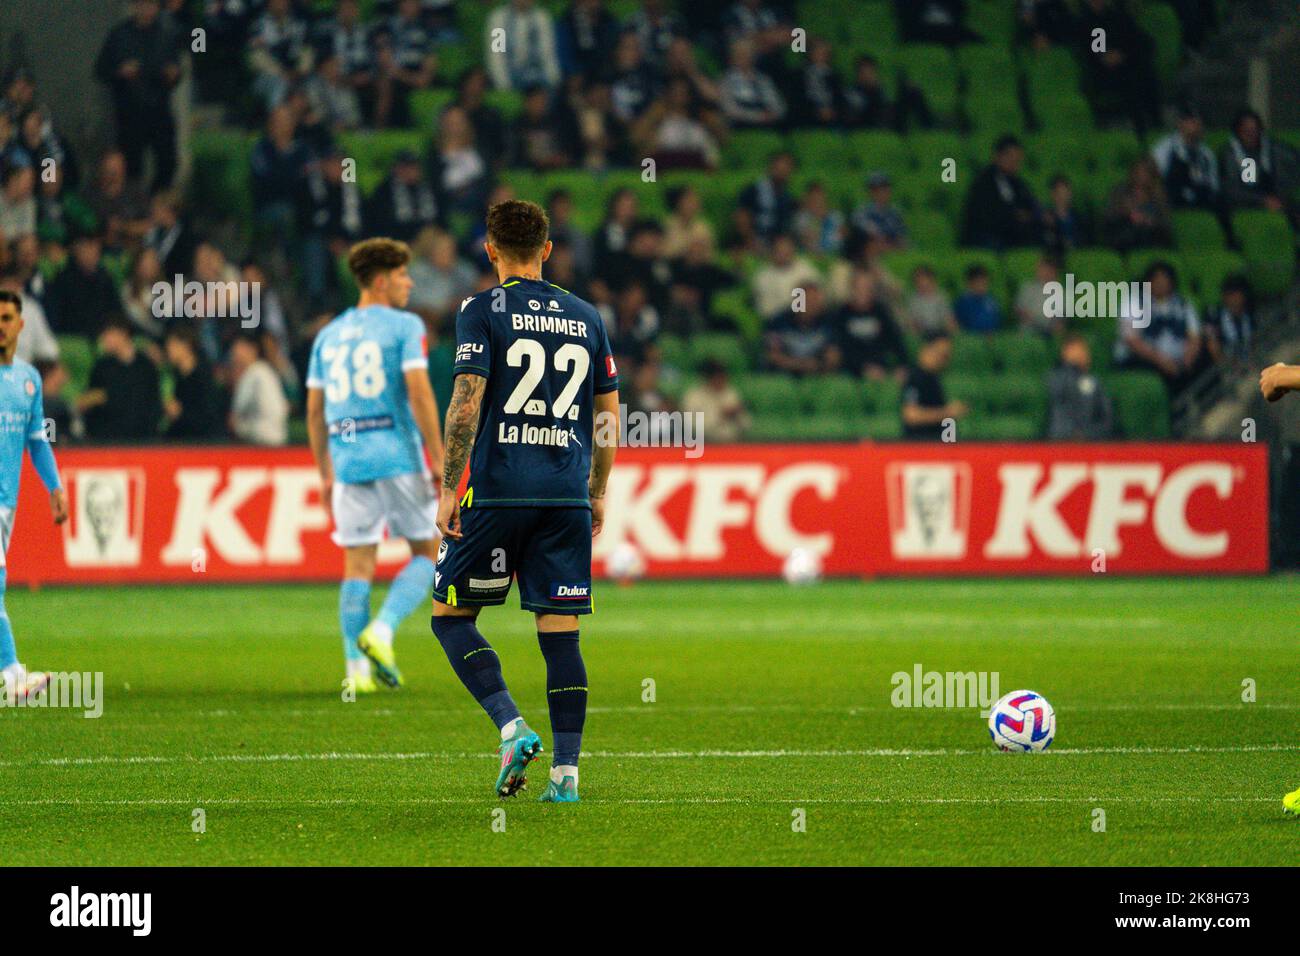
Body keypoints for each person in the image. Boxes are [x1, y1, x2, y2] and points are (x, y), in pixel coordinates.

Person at [432, 199, 620, 803]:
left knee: (451, 617)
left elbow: (467, 399)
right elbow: (608, 414)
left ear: (489, 251)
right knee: (560, 632)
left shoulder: (480, 310)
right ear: (547, 249)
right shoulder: (587, 315)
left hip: (498, 492)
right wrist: (596, 491)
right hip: (564, 495)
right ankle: (566, 777)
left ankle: (512, 727)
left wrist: (447, 488)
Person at [306, 238, 446, 693]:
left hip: (347, 461)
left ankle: (356, 674)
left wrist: (324, 471)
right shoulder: (405, 326)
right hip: (397, 454)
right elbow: (420, 392)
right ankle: (381, 631)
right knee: (430, 552)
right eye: (404, 275)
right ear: (382, 281)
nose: (410, 283)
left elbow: (313, 410)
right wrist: (439, 455)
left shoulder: (327, 335)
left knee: (357, 564)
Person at [0, 290, 67, 701]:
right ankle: (12, 675)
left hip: (7, 503)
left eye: (7, 318)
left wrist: (54, 487)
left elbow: (37, 441)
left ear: (21, 325)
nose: (0, 325)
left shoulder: (28, 380)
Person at [78, 317, 162, 441]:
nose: (103, 339)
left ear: (123, 334)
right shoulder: (102, 367)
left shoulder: (146, 367)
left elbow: (154, 406)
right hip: (106, 440)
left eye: (107, 334)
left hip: (141, 441)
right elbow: (89, 401)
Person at [901, 331, 966, 440]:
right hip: (921, 445)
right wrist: (947, 412)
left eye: (946, 356)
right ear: (927, 349)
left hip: (937, 442)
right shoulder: (915, 378)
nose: (943, 360)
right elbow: (911, 415)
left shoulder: (934, 378)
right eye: (940, 354)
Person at [1047, 334, 1113, 440]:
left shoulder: (1095, 382)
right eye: (1073, 350)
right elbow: (1059, 394)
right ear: (1064, 354)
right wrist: (1071, 367)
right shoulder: (1055, 377)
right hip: (1061, 439)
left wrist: (1088, 434)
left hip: (1089, 440)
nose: (1079, 354)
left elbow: (1106, 417)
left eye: (1082, 350)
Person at [163, 324, 222, 440]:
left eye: (173, 345)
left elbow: (209, 416)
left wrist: (180, 413)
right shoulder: (177, 377)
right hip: (181, 443)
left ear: (186, 345)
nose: (168, 349)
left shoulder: (204, 378)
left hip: (204, 445)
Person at [682, 358, 751, 442]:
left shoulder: (731, 393)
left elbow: (747, 425)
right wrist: (721, 416)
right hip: (706, 444)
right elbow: (692, 427)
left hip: (733, 442)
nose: (723, 381)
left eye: (724, 377)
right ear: (707, 379)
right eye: (718, 378)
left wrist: (737, 415)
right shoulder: (693, 397)